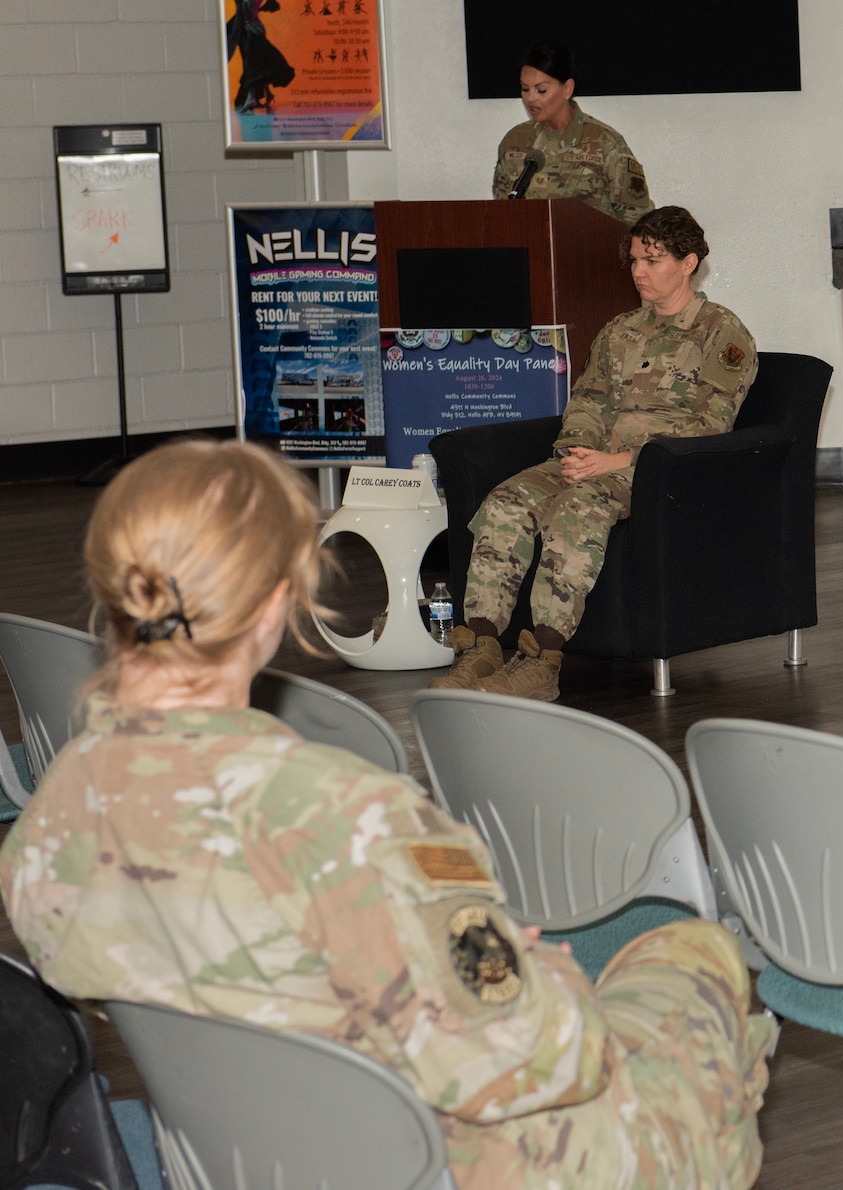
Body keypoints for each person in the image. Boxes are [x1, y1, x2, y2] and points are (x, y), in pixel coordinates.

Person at [0, 440, 775, 1188]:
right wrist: (539, 974)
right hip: (458, 1162)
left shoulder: (59, 806)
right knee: (696, 955)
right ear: (278, 601)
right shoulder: (356, 815)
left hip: (242, 1153)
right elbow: (535, 1058)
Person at [432, 205, 757, 701]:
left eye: (652, 261)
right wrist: (578, 452)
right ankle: (481, 648)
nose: (639, 273)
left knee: (575, 510)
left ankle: (543, 659)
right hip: (592, 461)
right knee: (505, 501)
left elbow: (711, 427)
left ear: (688, 263)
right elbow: (586, 399)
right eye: (633, 261)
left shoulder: (721, 333)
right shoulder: (620, 330)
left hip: (656, 471)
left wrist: (620, 461)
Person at [490, 40, 653, 226]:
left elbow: (637, 223)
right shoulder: (514, 141)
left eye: (541, 90)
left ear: (567, 88)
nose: (530, 98)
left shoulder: (605, 143)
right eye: (525, 89)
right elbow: (501, 214)